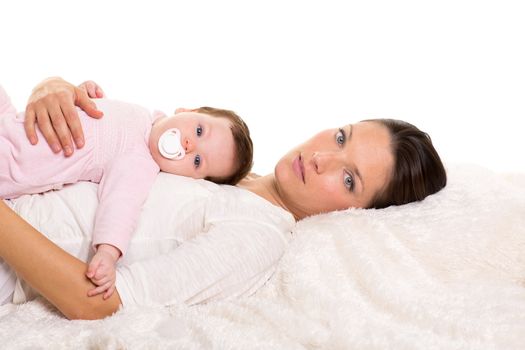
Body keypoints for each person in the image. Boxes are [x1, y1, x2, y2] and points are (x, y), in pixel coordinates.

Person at [0, 77, 447, 320]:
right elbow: (117, 142)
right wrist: (55, 92)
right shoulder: (216, 161)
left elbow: (99, 302)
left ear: (357, 215)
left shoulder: (257, 235)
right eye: (341, 137)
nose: (321, 158)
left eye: (349, 179)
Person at [0, 80, 253, 299]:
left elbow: (122, 204)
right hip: (10, 119)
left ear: (192, 179)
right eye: (199, 130)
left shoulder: (141, 162)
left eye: (197, 161)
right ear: (187, 110)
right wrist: (83, 91)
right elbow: (88, 113)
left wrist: (108, 252)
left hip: (12, 161)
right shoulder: (142, 115)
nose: (188, 145)